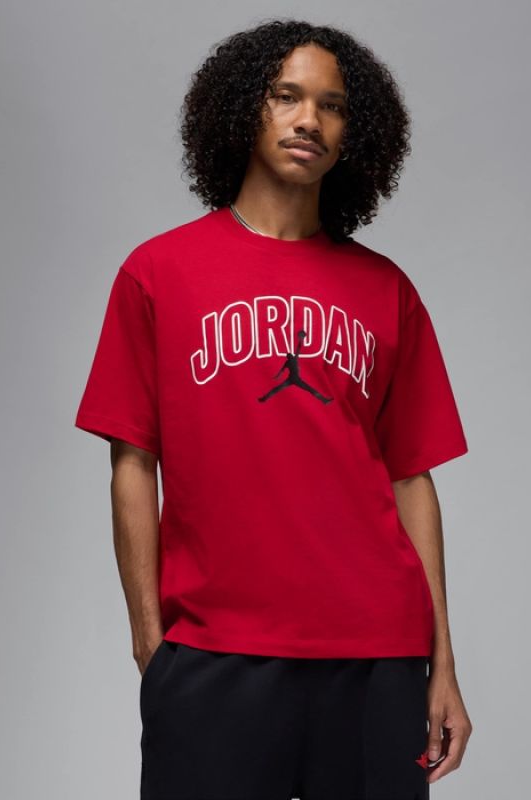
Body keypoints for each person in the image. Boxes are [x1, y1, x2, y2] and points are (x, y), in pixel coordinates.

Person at [74, 18, 473, 800]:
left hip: (375, 654)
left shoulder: (386, 290)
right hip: (215, 653)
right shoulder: (157, 273)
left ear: (354, 134)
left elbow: (411, 480)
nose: (309, 120)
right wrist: (152, 645)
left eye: (332, 106)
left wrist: (443, 664)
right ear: (242, 110)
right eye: (286, 96)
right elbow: (132, 464)